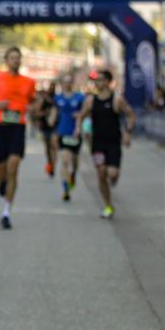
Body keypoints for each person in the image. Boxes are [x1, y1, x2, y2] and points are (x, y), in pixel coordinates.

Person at [0, 47, 35, 229]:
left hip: (18, 127)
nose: (15, 61)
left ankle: (6, 212)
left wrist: (34, 108)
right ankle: (2, 183)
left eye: (18, 58)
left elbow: (33, 101)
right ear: (7, 60)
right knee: (2, 170)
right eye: (12, 58)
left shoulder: (29, 81)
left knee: (13, 166)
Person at [76, 70, 136, 219]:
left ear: (108, 82)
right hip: (97, 143)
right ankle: (108, 205)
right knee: (101, 173)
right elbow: (81, 116)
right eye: (96, 80)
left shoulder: (117, 99)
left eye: (101, 80)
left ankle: (114, 179)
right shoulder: (90, 101)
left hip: (114, 142)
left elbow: (130, 114)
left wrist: (128, 132)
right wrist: (78, 128)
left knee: (112, 174)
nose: (98, 83)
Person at [52, 75, 85, 201]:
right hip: (62, 133)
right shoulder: (58, 98)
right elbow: (54, 115)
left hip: (75, 134)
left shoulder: (79, 98)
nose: (67, 84)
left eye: (70, 82)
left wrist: (80, 118)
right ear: (62, 84)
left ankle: (73, 175)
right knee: (65, 160)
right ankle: (65, 189)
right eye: (65, 82)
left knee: (74, 162)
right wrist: (52, 127)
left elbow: (85, 112)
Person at [35, 82, 57, 178]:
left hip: (56, 126)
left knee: (54, 145)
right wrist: (45, 113)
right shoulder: (43, 100)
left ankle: (53, 165)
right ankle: (50, 163)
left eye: (53, 87)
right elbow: (37, 113)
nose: (52, 88)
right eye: (50, 87)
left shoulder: (57, 99)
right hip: (45, 126)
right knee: (48, 147)